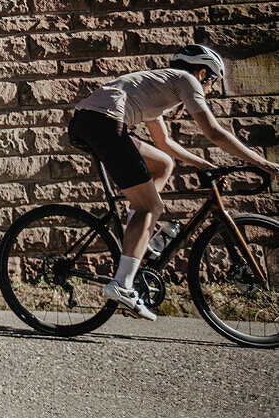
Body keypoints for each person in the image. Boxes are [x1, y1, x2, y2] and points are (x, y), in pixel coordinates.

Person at [66, 44, 279, 321]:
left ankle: (137, 233)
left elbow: (163, 143)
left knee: (164, 163)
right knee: (151, 207)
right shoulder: (187, 80)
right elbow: (213, 131)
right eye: (212, 82)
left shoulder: (160, 87)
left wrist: (203, 164)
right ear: (202, 72)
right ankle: (122, 284)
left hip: (91, 121)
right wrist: (261, 163)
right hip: (105, 123)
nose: (210, 90)